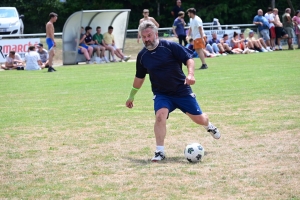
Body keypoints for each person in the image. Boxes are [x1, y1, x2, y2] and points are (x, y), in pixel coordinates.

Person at [125, 21, 221, 162]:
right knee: (160, 116)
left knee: (200, 119)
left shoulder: (170, 46)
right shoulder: (142, 56)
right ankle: (160, 151)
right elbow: (139, 78)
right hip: (162, 94)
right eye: (144, 37)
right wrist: (131, 96)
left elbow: (189, 59)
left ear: (156, 34)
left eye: (149, 35)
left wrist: (190, 74)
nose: (147, 39)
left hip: (181, 90)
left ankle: (209, 125)